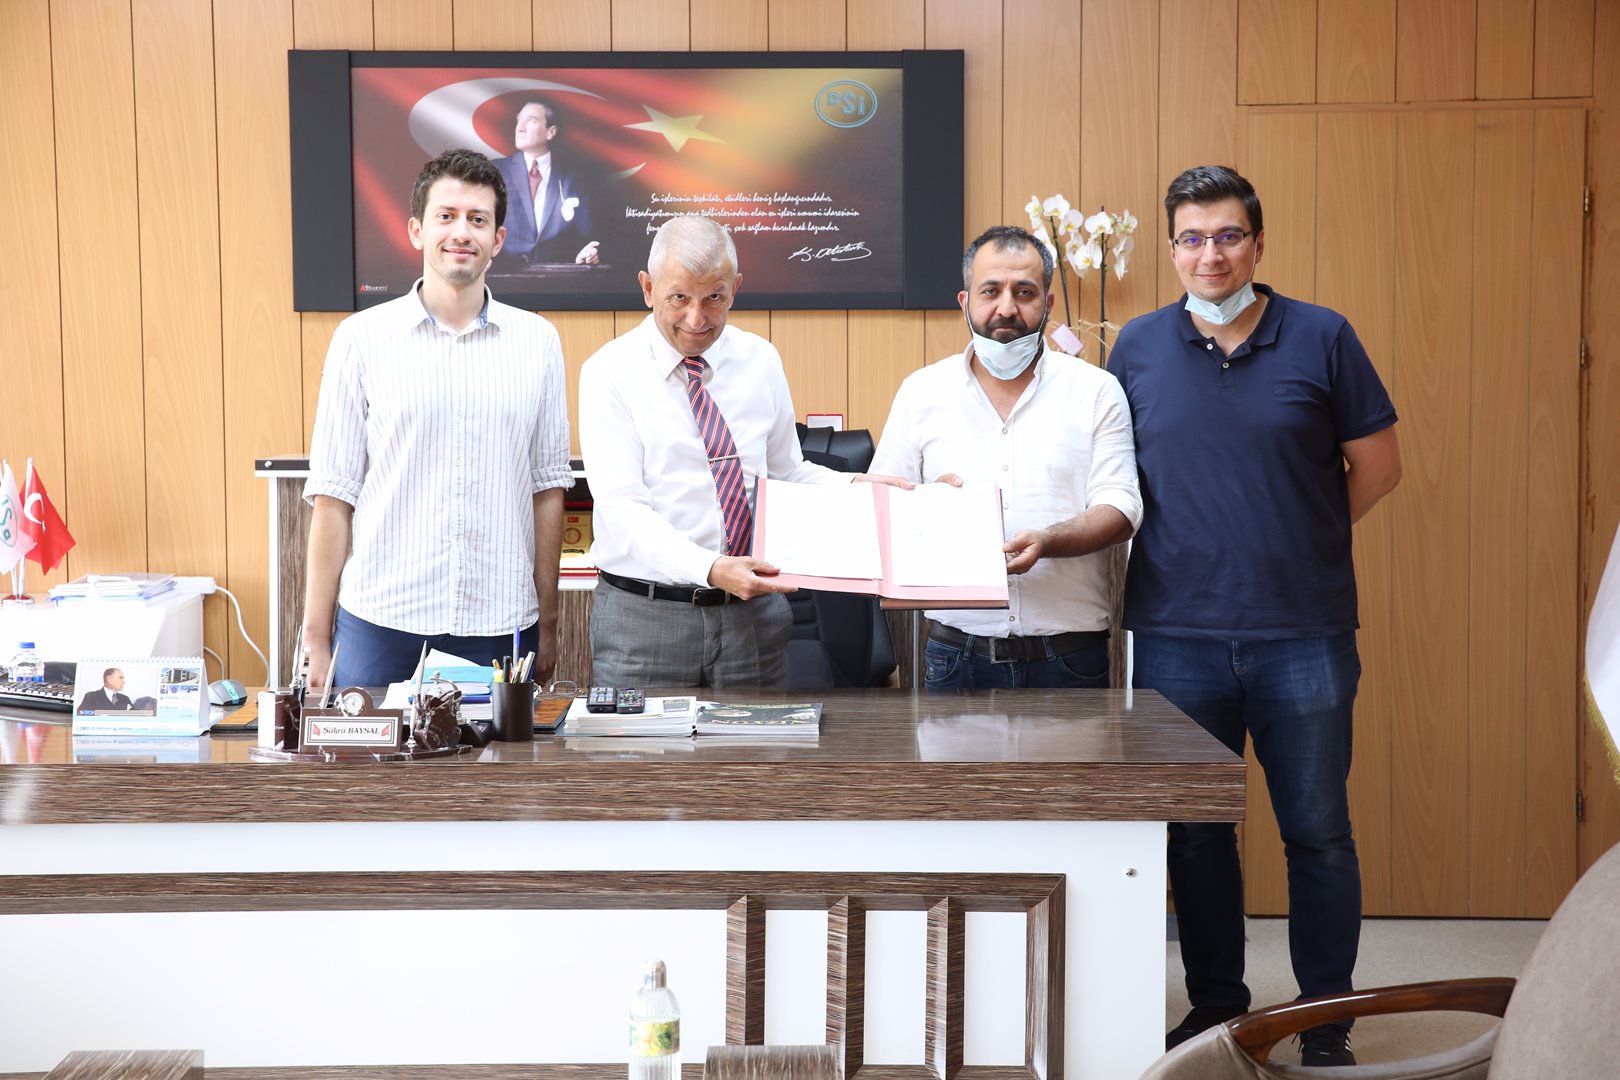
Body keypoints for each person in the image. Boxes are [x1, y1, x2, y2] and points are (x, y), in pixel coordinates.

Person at [1107, 165, 1402, 1067]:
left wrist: (1300, 538)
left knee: (1317, 831)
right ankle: (1218, 1011)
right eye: (1192, 238)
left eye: (1229, 235)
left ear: (1259, 243)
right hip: (1175, 635)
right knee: (1197, 836)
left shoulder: (1323, 336)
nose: (1212, 254)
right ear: (1172, 249)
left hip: (1303, 634)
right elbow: (1115, 477)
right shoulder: (1137, 347)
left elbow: (1379, 467)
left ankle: (1326, 1019)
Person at [578, 216, 902, 688]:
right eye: (679, 298)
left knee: (757, 740)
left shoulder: (760, 360)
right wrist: (710, 568)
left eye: (714, 298)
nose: (697, 319)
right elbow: (622, 509)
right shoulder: (610, 372)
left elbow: (787, 473)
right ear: (648, 288)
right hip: (645, 619)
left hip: (752, 617)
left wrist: (858, 486)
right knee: (644, 742)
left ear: (735, 289)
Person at [302, 148, 574, 691]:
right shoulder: (361, 339)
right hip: (381, 620)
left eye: (478, 219)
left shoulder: (538, 342)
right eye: (446, 216)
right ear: (416, 231)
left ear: (499, 238)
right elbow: (333, 495)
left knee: (498, 753)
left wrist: (549, 624)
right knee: (376, 753)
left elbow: (547, 492)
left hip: (500, 622)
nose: (461, 232)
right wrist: (315, 635)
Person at [869, 225, 1140, 689]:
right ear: (965, 301)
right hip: (956, 655)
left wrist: (1048, 541)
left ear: (1048, 304)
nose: (1007, 308)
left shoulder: (1096, 390)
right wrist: (925, 505)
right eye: (990, 291)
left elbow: (1121, 507)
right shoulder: (922, 392)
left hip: (1070, 658)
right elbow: (881, 506)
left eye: (1024, 292)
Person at [493, 100, 600, 266]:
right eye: (519, 119)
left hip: (559, 274)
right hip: (505, 273)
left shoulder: (575, 177)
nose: (520, 127)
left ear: (551, 132)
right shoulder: (495, 171)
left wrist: (586, 253)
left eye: (531, 120)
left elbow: (586, 235)